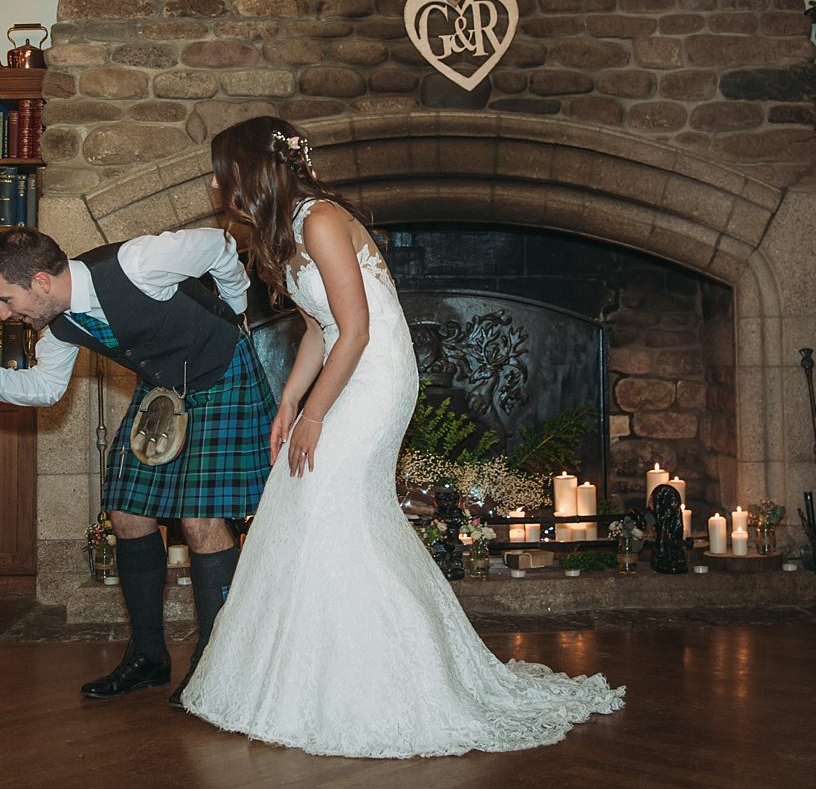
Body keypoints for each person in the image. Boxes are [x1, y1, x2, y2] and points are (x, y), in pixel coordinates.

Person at [180, 118, 624, 757]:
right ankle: (310, 678)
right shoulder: (280, 234)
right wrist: (289, 401)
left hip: (377, 377)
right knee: (309, 507)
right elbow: (316, 328)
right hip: (340, 372)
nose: (218, 181)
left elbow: (356, 330)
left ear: (252, 169)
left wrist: (315, 418)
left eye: (224, 167)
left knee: (329, 504)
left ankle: (399, 681)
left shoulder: (322, 219)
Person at [0, 226, 277, 706]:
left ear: (41, 281)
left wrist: (236, 306)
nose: (3, 314)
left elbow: (218, 245)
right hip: (164, 386)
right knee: (125, 511)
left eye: (4, 299)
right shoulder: (59, 323)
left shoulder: (138, 263)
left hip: (221, 371)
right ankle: (148, 657)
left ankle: (214, 663)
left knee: (202, 519)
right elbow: (45, 389)